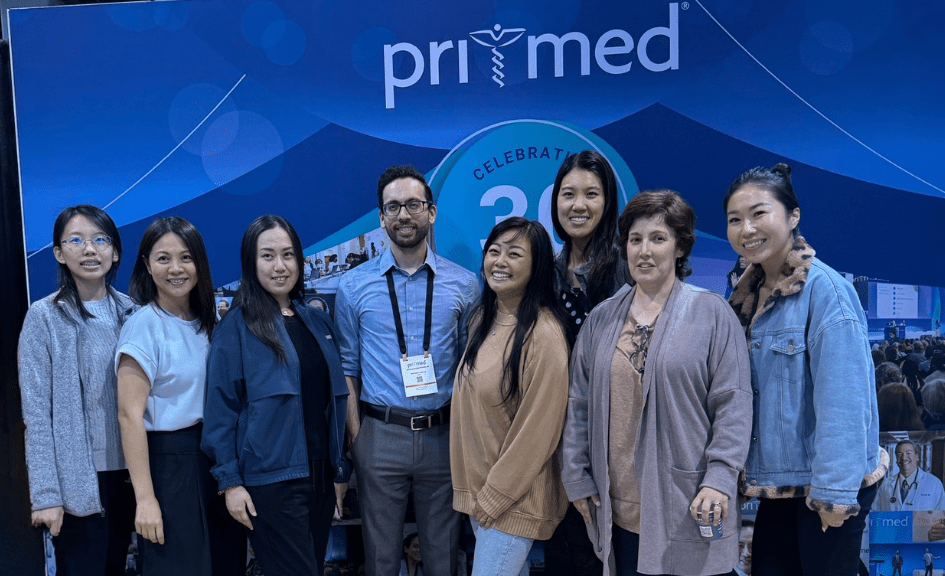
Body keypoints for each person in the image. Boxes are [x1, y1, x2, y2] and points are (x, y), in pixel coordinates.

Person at [562, 190, 753, 576]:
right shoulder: (601, 319)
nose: (644, 251)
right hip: (617, 512)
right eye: (635, 240)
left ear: (680, 247)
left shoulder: (712, 313)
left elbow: (733, 404)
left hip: (689, 503)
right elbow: (578, 403)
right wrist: (576, 474)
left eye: (658, 238)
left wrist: (719, 479)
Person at [724, 164, 886, 575]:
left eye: (760, 214)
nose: (747, 229)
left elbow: (845, 402)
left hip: (826, 483)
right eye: (735, 219)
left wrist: (833, 495)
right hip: (782, 482)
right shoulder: (745, 292)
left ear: (793, 216)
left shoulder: (826, 291)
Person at [335, 165, 479, 576]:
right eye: (393, 207)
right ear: (381, 218)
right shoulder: (353, 286)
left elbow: (473, 365)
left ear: (431, 213)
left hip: (444, 437)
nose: (404, 215)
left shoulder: (465, 284)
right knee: (380, 560)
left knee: (443, 557)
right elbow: (348, 366)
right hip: (380, 436)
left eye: (413, 205)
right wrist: (359, 437)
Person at [202, 215, 351, 576]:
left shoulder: (316, 322)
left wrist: (339, 474)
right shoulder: (234, 328)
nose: (280, 266)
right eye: (267, 256)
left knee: (315, 567)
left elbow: (332, 404)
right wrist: (231, 483)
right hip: (270, 482)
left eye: (288, 255)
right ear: (251, 264)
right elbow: (221, 411)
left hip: (320, 476)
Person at [115, 217, 244, 575]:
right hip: (170, 467)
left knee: (224, 564)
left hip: (216, 463)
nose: (176, 269)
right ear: (146, 265)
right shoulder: (143, 326)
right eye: (163, 258)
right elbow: (129, 416)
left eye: (186, 258)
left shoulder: (208, 323)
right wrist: (145, 499)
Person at [18, 205, 136, 576]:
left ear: (115, 251)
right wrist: (47, 497)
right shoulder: (43, 317)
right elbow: (36, 415)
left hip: (133, 476)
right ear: (59, 253)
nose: (89, 249)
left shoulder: (133, 313)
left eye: (100, 240)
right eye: (76, 240)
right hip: (77, 485)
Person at [451, 218, 571, 576]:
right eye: (494, 251)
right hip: (485, 496)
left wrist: (497, 494)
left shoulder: (545, 333)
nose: (499, 262)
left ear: (537, 267)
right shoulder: (481, 320)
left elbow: (540, 429)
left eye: (514, 254)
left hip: (513, 501)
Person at [548, 150, 631, 576]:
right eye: (568, 194)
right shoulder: (549, 269)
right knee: (567, 551)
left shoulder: (627, 265)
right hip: (559, 435)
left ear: (608, 201)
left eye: (591, 194)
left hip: (615, 438)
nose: (578, 205)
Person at [875, 441, 945, 511]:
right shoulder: (886, 484)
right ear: (896, 459)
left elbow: (941, 515)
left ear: (917, 456)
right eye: (899, 454)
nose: (904, 458)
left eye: (908, 453)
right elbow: (875, 513)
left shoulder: (934, 483)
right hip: (893, 522)